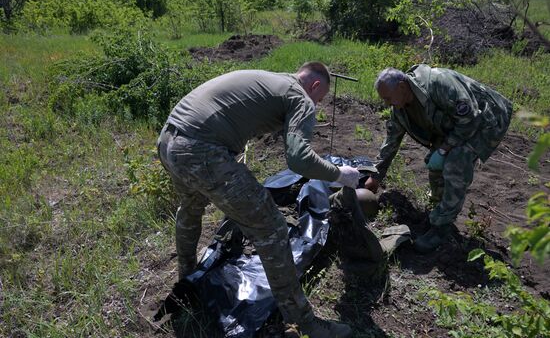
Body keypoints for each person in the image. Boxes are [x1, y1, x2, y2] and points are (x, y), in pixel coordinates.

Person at [157, 62, 358, 338]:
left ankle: (188, 280)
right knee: (272, 228)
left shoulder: (274, 80)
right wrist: (339, 174)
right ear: (314, 86)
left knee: (191, 208)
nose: (317, 105)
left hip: (169, 140)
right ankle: (303, 323)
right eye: (320, 98)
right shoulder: (299, 96)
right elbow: (298, 159)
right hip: (201, 149)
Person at [365, 64, 512, 253]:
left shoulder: (437, 83)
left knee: (455, 162)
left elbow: (470, 118)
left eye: (387, 98)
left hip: (486, 118)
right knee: (435, 163)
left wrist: (444, 148)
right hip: (456, 124)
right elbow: (390, 143)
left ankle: (442, 228)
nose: (386, 103)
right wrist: (375, 176)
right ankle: (438, 207)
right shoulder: (400, 110)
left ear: (402, 87)